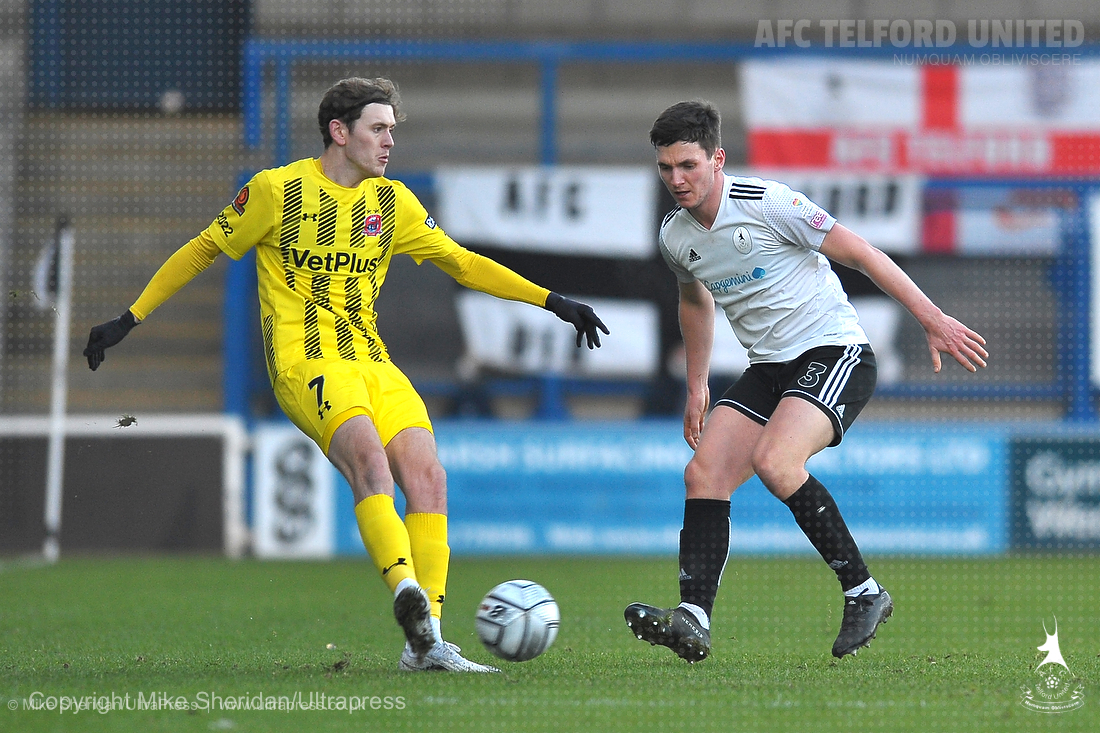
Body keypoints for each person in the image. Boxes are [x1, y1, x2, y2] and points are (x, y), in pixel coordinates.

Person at [84, 77, 608, 673]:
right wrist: (132, 317)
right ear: (340, 131)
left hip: (373, 362)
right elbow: (204, 248)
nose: (389, 142)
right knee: (370, 463)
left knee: (430, 478)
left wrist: (553, 301)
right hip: (305, 360)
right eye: (378, 129)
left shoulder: (394, 203)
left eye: (391, 131)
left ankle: (426, 639)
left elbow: (461, 263)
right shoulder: (274, 191)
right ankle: (407, 596)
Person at [624, 101, 987, 661]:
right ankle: (693, 619)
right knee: (703, 474)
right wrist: (697, 385)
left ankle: (864, 591)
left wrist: (932, 319)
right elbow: (694, 300)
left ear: (717, 159)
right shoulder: (675, 237)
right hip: (769, 368)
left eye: (688, 165)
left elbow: (862, 254)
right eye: (666, 168)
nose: (677, 179)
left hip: (834, 351)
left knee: (776, 462)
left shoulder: (769, 203)